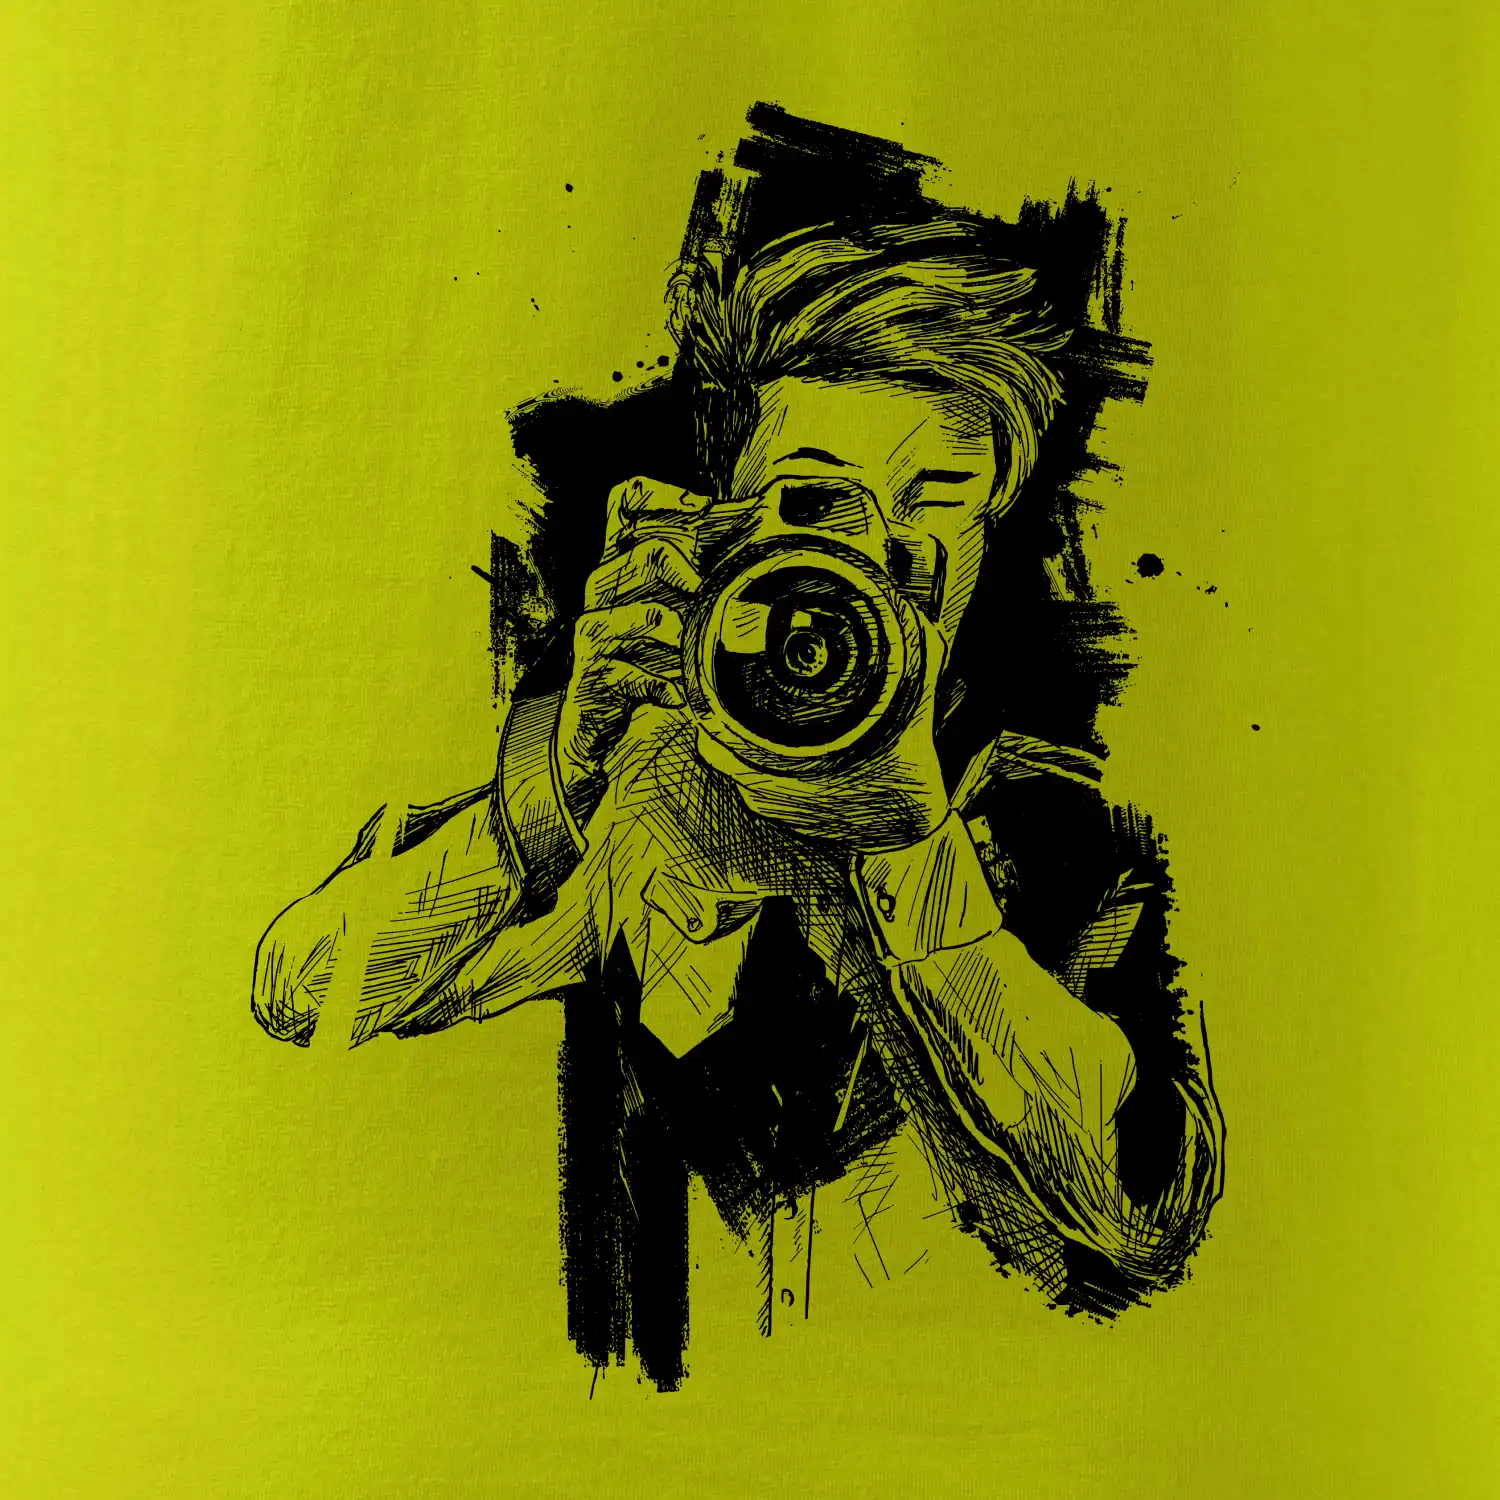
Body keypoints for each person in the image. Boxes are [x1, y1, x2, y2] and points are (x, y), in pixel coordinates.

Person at [252, 219, 1223, 1389]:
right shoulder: (653, 791)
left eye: (933, 502)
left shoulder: (1062, 839)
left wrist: (911, 846)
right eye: (815, 502)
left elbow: (1143, 1207)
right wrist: (549, 784)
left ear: (986, 537)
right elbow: (304, 994)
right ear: (722, 519)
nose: (874, 555)